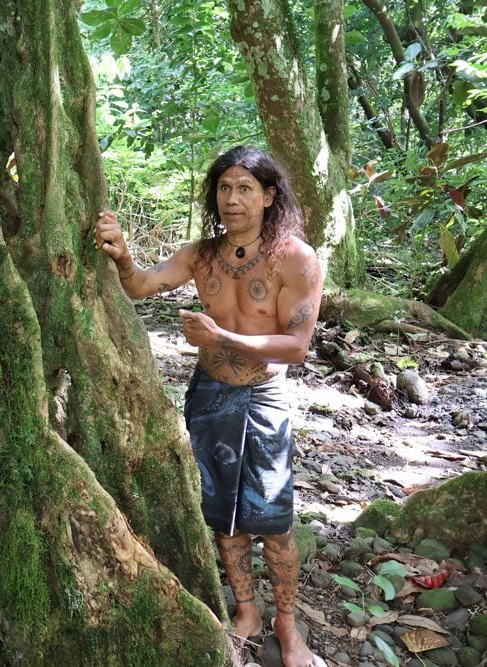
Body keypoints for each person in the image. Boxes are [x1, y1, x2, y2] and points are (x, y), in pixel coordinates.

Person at [95, 145, 326, 667]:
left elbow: (296, 347)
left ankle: (288, 627)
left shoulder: (297, 259)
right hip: (210, 395)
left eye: (245, 188)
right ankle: (246, 613)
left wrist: (222, 335)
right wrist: (120, 252)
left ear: (269, 197)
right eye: (224, 187)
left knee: (274, 518)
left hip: (266, 398)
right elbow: (140, 286)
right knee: (222, 513)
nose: (232, 198)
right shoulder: (202, 254)